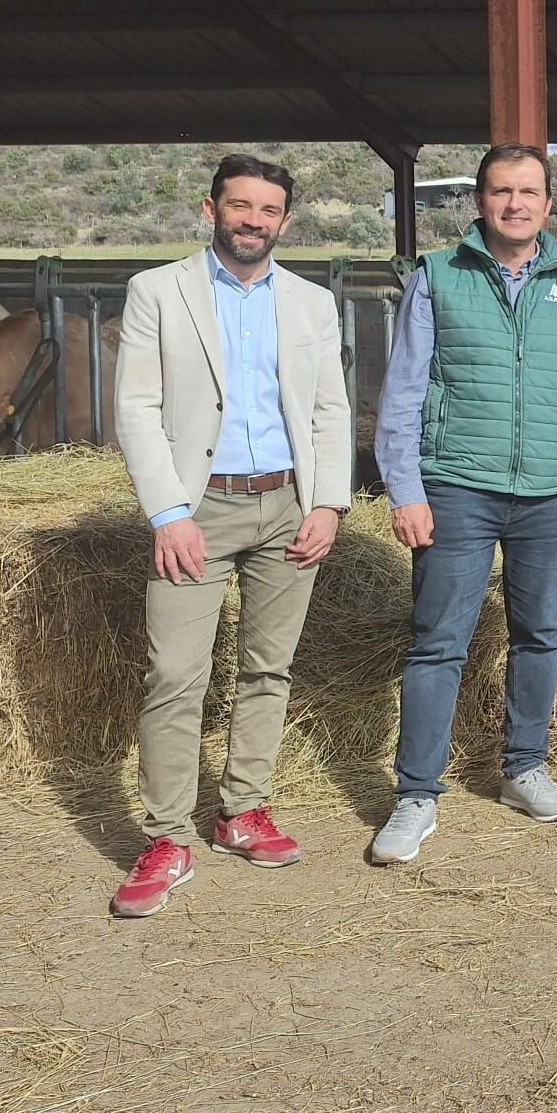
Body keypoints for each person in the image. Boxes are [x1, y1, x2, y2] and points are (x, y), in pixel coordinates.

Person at [111, 154, 352, 917]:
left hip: (287, 506)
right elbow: (137, 408)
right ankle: (166, 837)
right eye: (240, 205)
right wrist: (167, 513)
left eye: (268, 210)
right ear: (211, 209)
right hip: (197, 511)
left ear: (285, 221)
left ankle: (242, 809)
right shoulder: (158, 291)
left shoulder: (311, 303)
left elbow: (330, 410)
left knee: (268, 670)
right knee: (176, 676)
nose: (254, 220)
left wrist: (330, 504)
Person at [369, 143, 557, 864]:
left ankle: (524, 767)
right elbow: (405, 390)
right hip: (457, 487)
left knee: (539, 632)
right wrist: (406, 489)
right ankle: (416, 794)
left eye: (529, 192)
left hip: (551, 489)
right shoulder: (439, 277)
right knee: (439, 641)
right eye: (502, 191)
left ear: (547, 204)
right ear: (480, 202)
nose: (516, 203)